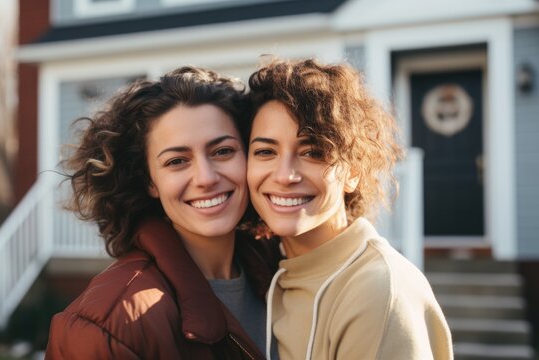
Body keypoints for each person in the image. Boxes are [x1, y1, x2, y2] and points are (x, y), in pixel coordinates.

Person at [45, 66, 279, 359]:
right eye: (177, 161)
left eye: (222, 151)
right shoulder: (110, 325)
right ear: (149, 182)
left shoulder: (279, 269)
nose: (205, 178)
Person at [246, 58, 453, 360]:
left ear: (353, 171)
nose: (284, 175)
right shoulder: (274, 270)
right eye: (265, 152)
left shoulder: (378, 291)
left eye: (313, 152)